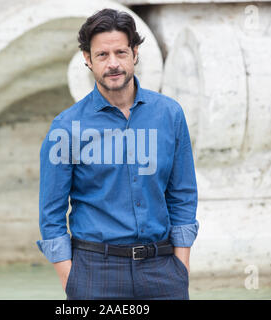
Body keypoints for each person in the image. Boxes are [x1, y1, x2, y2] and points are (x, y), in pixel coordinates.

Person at [36, 8, 199, 300]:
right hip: (95, 273)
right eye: (102, 55)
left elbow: (182, 194)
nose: (113, 64)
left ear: (135, 53)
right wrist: (71, 280)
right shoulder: (66, 128)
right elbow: (51, 214)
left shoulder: (169, 114)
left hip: (162, 270)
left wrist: (181, 266)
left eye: (121, 52)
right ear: (87, 58)